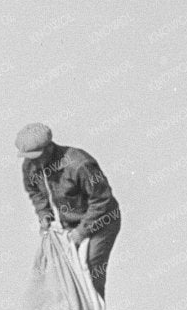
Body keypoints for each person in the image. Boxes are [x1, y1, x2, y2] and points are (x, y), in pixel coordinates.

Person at [18, 123, 120, 298]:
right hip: (69, 222)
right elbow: (35, 192)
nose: (33, 162)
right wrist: (44, 215)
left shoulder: (80, 164)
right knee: (65, 271)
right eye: (30, 157)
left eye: (37, 156)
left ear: (49, 148)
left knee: (90, 268)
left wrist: (82, 231)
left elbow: (102, 199)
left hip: (102, 220)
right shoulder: (31, 165)